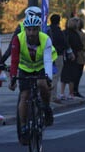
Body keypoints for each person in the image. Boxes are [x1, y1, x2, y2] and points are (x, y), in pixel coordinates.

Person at [9, 13, 54, 143]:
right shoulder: (18, 39)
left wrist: (48, 78)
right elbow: (14, 60)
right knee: (24, 96)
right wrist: (12, 78)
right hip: (25, 68)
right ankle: (23, 126)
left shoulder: (46, 39)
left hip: (40, 67)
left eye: (34, 29)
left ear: (38, 29)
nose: (31, 33)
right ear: (25, 29)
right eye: (29, 29)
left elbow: (47, 60)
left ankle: (46, 108)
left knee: (42, 85)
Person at [48, 14, 69, 99]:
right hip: (57, 55)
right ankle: (53, 96)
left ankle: (47, 95)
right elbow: (64, 43)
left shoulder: (47, 30)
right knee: (55, 76)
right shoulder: (58, 31)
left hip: (47, 55)